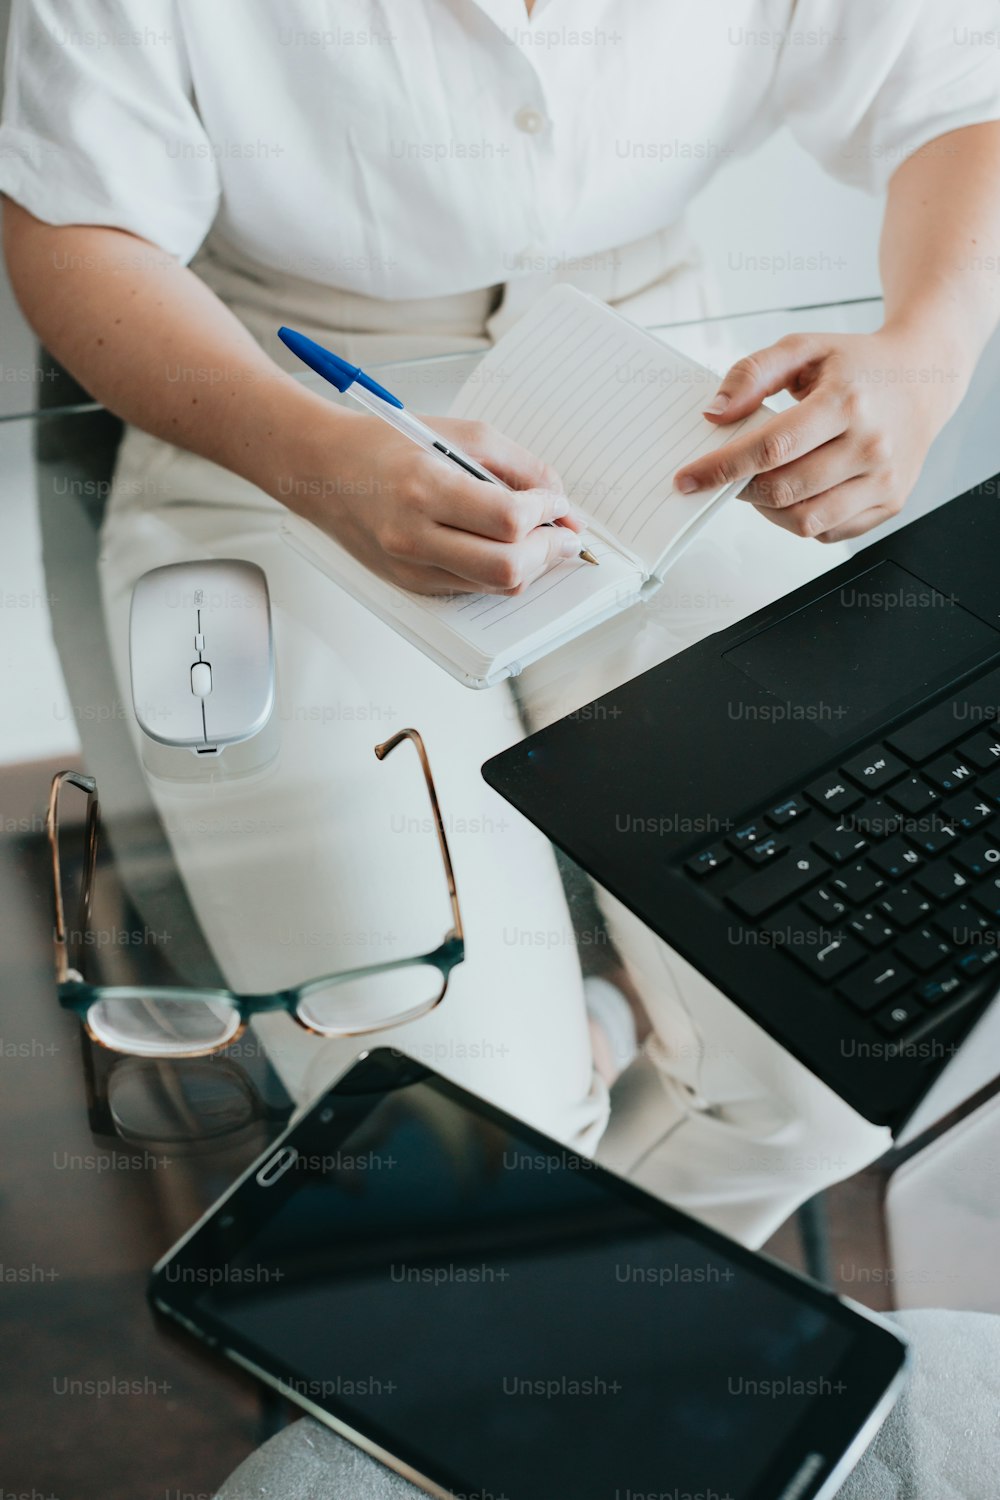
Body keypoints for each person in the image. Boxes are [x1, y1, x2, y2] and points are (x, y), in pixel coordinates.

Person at [4, 0, 1000, 1248]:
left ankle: (547, 1310)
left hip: (669, 397)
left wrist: (924, 353)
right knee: (456, 1133)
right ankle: (524, 1254)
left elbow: (965, 92)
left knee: (844, 1062)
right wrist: (319, 463)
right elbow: (71, 224)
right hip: (271, 414)